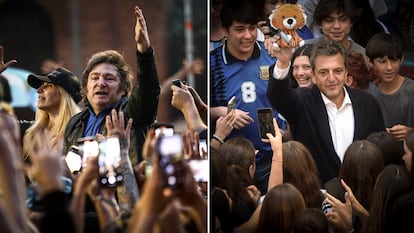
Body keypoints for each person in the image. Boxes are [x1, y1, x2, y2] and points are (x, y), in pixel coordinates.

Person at [266, 39, 386, 184]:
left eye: (337, 71)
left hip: (362, 194)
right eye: (323, 72)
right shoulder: (303, 102)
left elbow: (380, 151)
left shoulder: (368, 103)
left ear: (346, 72)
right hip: (316, 196)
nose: (331, 78)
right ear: (314, 76)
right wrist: (284, 63)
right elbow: (278, 96)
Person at [64, 6, 160, 166]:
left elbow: (148, 91)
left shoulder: (130, 113)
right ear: (86, 86)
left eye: (109, 78)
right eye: (94, 78)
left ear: (122, 90)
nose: (100, 83)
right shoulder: (74, 123)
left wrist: (144, 51)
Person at [210, 0, 287, 194]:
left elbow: (289, 99)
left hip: (274, 157)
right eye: (239, 29)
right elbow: (199, 109)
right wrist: (220, 112)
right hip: (234, 164)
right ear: (226, 30)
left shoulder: (272, 55)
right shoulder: (213, 64)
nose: (247, 35)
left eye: (252, 28)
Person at [365, 32, 414, 149]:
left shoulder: (411, 90)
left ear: (402, 59)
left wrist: (410, 132)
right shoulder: (367, 92)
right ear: (370, 61)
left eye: (394, 60)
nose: (389, 67)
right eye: (382, 61)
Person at [24, 67, 82, 161]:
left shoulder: (82, 130)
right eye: (41, 85)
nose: (39, 90)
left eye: (48, 86)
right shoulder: (29, 132)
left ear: (63, 94)